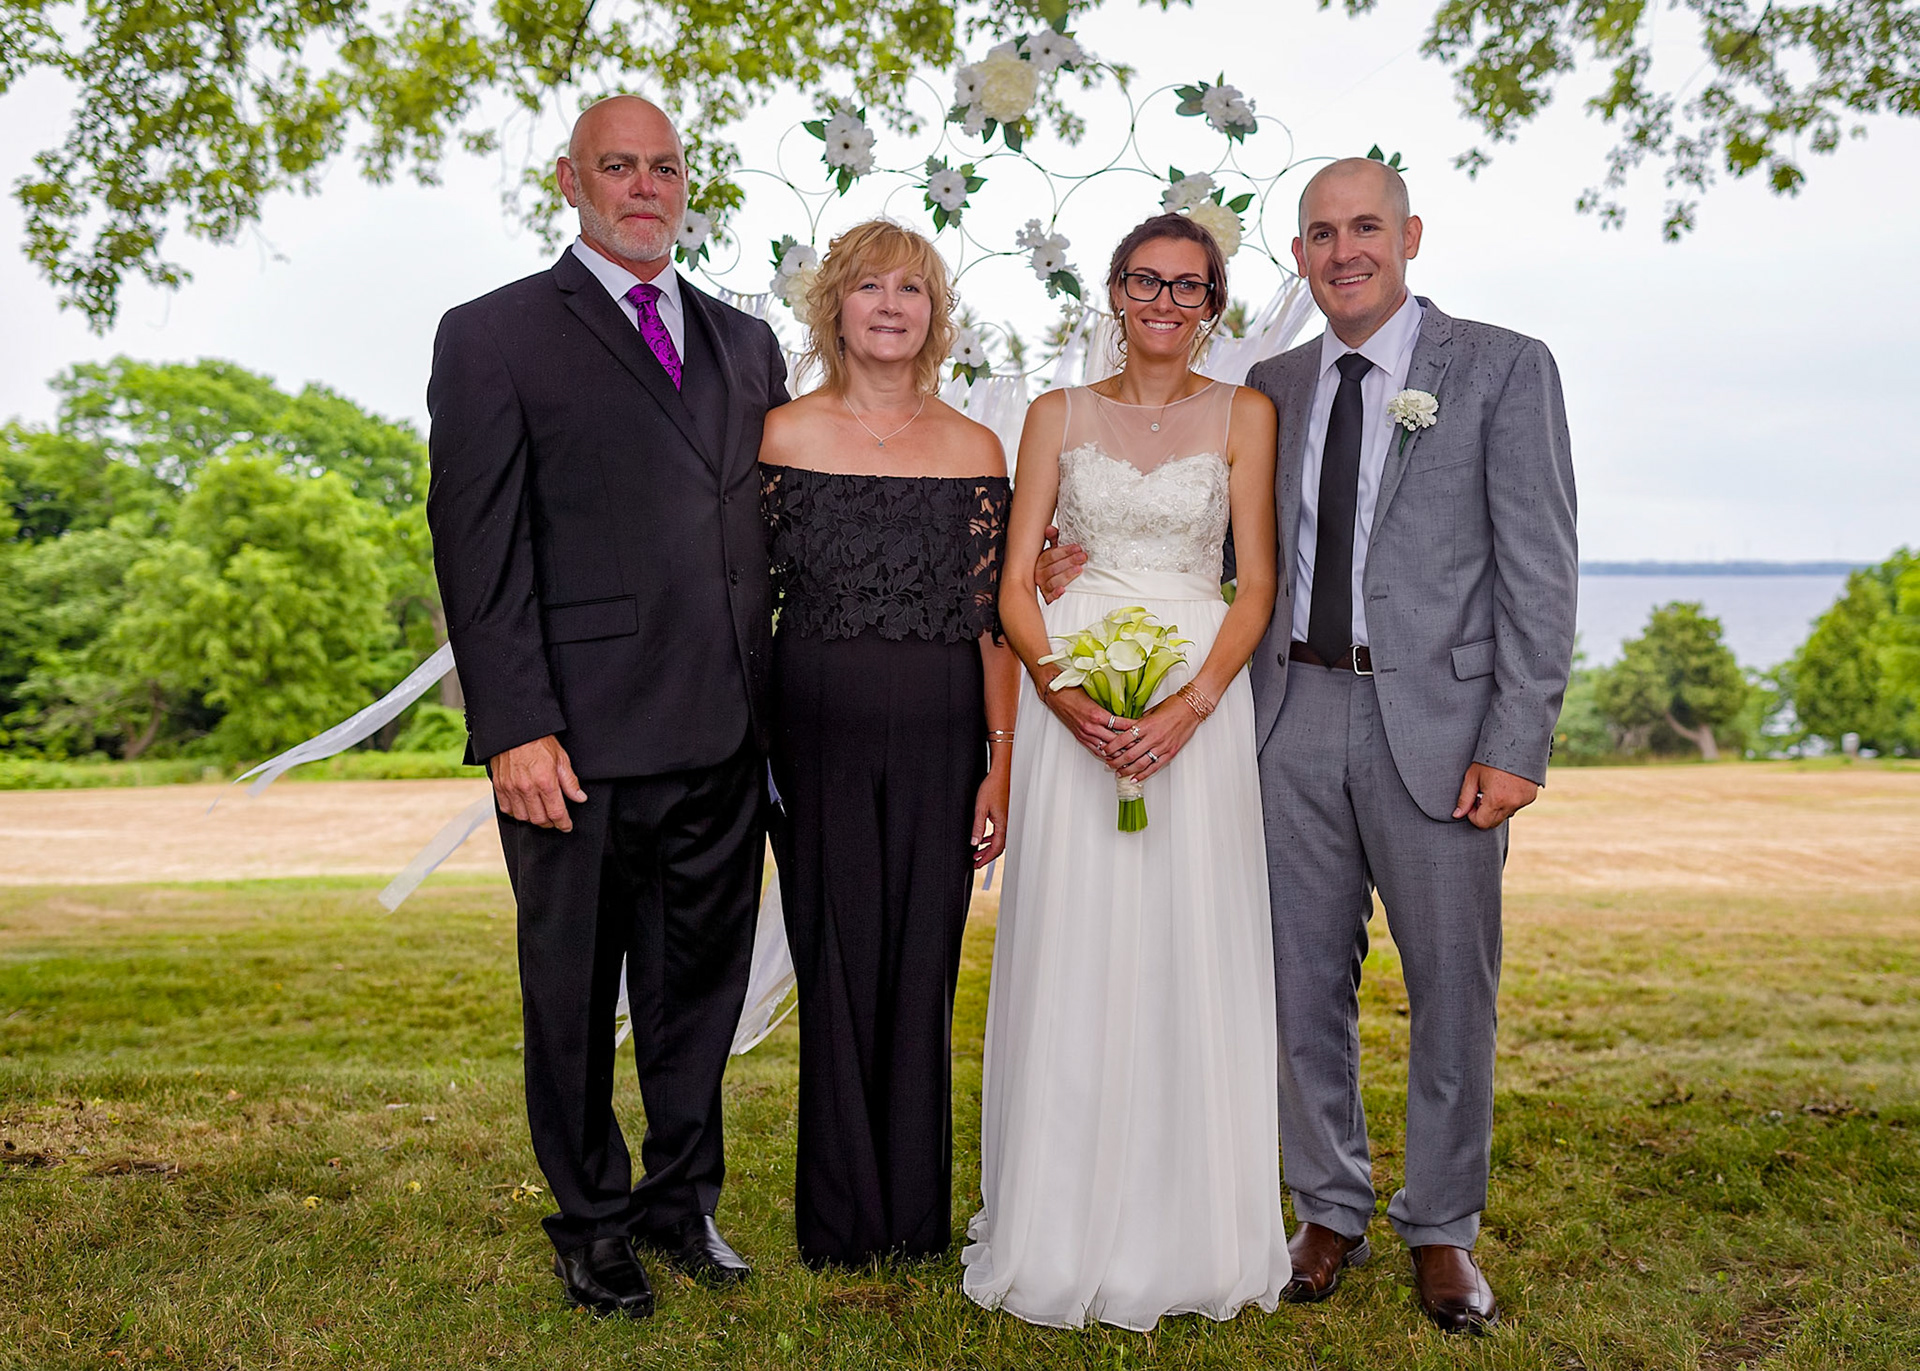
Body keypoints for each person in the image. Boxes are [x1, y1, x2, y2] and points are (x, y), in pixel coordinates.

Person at [1042, 158, 1578, 1333]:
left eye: (1367, 227)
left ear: (1410, 237)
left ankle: (1442, 1227)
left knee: (1452, 987)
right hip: (1284, 719)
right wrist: (1065, 560)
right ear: (1297, 256)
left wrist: (1518, 739)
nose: (1346, 251)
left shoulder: (1502, 367)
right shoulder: (1270, 388)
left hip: (1440, 728)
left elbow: (1541, 569)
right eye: (1323, 234)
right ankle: (1327, 1207)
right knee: (1295, 985)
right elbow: (1220, 550)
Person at [425, 95, 790, 1319]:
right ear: (570, 181)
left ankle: (681, 1204)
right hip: (570, 743)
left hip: (725, 734)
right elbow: (476, 547)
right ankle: (590, 1221)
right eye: (619, 166)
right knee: (573, 998)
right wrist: (511, 725)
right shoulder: (493, 335)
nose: (645, 187)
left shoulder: (747, 343)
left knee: (700, 992)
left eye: (664, 168)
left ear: (686, 185)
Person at [962, 212, 1291, 1330]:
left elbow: (1254, 583)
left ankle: (1189, 1226)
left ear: (1213, 304)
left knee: (1190, 937)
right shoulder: (1055, 415)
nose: (1164, 303)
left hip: (1198, 699)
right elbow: (1014, 582)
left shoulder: (1246, 414)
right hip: (1074, 695)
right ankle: (1059, 1222)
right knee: (1078, 936)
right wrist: (1063, 696)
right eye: (1146, 281)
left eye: (1188, 287)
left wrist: (1193, 706)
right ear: (1113, 291)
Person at [758, 219, 1018, 1268]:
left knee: (922, 963)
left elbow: (994, 624)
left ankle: (913, 1217)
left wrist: (1001, 763)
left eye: (912, 289)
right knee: (835, 957)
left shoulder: (975, 449)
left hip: (942, 741)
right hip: (809, 736)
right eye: (871, 286)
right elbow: (744, 603)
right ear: (836, 305)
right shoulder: (779, 437)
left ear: (934, 314)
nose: (891, 306)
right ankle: (838, 1222)